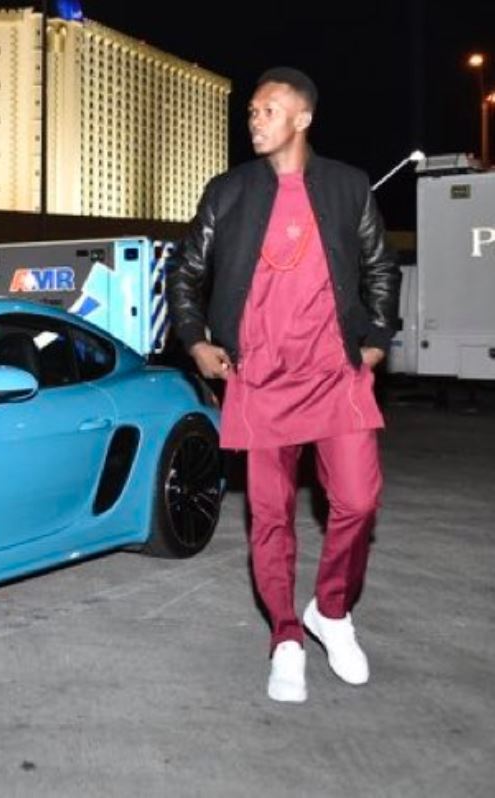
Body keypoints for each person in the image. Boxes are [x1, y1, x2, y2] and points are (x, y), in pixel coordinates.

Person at [167, 67, 400, 703]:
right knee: (270, 519)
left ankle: (332, 610)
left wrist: (376, 339)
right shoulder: (229, 191)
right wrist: (196, 342)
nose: (254, 119)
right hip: (260, 378)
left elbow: (381, 265)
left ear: (302, 118)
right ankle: (287, 638)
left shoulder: (348, 186)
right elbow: (185, 274)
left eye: (267, 109)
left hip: (335, 373)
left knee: (357, 501)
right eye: (251, 111)